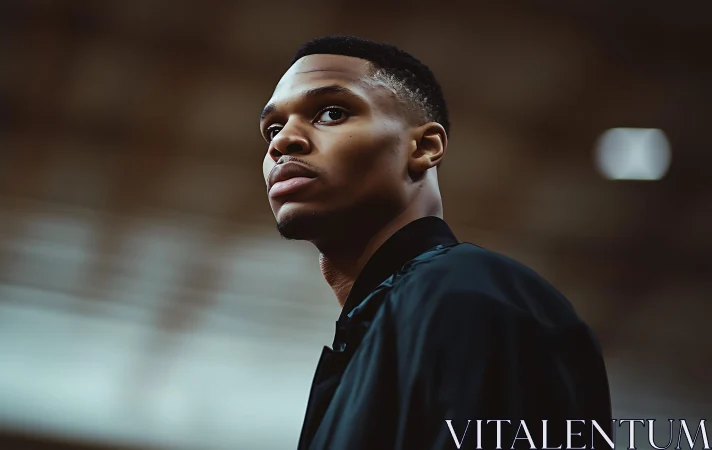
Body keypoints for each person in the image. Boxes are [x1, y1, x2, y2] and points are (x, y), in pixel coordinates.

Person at [259, 35, 612, 450]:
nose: (282, 142)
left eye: (332, 113)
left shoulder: (467, 292)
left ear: (425, 147)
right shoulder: (381, 334)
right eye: (273, 128)